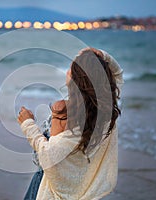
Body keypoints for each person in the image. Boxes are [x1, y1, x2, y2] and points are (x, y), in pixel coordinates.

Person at [18, 47, 123, 200]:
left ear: (78, 79)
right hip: (86, 187)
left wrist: (27, 124)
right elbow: (117, 74)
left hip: (56, 190)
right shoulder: (105, 111)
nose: (68, 70)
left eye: (71, 68)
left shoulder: (65, 111)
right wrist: (102, 56)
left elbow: (49, 157)